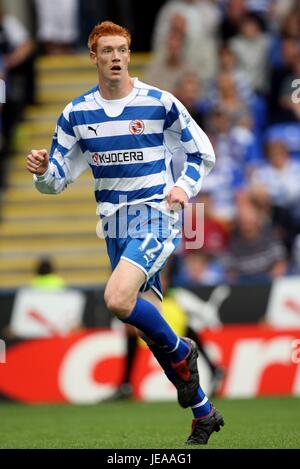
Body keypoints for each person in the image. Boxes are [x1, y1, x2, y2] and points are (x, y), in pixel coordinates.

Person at [26, 20, 223, 445]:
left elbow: (201, 151)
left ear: (129, 55)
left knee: (116, 299)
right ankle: (203, 413)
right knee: (147, 331)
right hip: (113, 225)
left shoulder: (159, 102)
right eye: (107, 51)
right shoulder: (77, 113)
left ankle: (185, 350)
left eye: (122, 50)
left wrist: (182, 187)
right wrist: (44, 171)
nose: (115, 57)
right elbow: (58, 178)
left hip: (155, 214)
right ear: (94, 56)